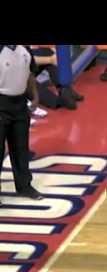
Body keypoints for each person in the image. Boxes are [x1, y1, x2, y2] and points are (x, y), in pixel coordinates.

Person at [0, 45, 43, 201]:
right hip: (1, 103)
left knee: (21, 148)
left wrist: (35, 96)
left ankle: (24, 186)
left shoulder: (25, 48)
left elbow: (30, 74)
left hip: (20, 104)